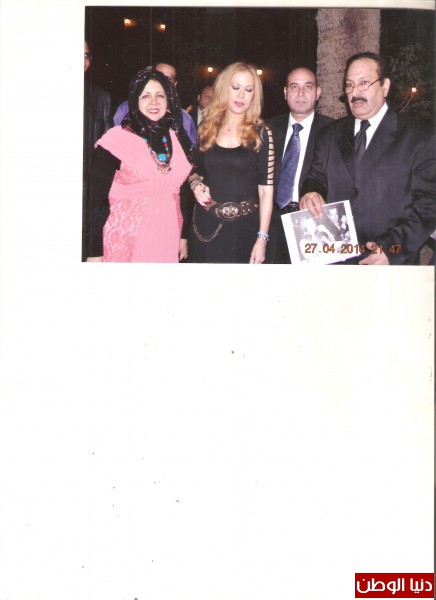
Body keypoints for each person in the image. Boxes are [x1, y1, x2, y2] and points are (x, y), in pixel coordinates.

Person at [300, 52, 436, 265]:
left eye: (364, 83)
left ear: (385, 86)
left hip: (389, 259)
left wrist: (392, 250)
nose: (355, 92)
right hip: (334, 258)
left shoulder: (419, 136)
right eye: (350, 85)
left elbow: (428, 203)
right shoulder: (329, 135)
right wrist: (310, 192)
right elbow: (316, 178)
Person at [85, 68, 196, 262]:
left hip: (168, 233)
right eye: (145, 96)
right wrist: (94, 252)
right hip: (125, 239)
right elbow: (95, 202)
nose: (154, 102)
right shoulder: (115, 139)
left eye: (160, 95)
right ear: (135, 100)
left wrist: (184, 235)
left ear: (169, 99)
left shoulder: (178, 138)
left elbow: (183, 193)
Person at [188, 62, 274, 264]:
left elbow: (266, 192)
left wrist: (262, 239)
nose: (241, 95)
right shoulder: (206, 127)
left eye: (248, 90)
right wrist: (195, 184)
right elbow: (194, 171)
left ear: (254, 95)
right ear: (224, 88)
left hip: (244, 228)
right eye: (235, 87)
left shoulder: (262, 133)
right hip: (205, 225)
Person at [266, 67, 333, 263]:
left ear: (318, 93)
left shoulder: (333, 131)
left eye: (308, 87)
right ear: (285, 92)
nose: (301, 93)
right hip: (270, 224)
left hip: (312, 221)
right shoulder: (267, 128)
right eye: (294, 87)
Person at [112, 63, 197, 146]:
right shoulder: (125, 109)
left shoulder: (184, 118)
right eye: (160, 75)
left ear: (175, 84)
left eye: (170, 78)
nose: (165, 81)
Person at [83, 40, 113, 260]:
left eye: (86, 55)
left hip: (89, 201)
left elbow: (106, 159)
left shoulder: (101, 98)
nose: (83, 61)